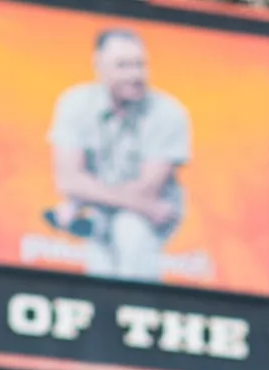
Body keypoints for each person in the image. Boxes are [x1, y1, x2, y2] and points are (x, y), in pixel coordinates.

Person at [46, 28, 190, 282]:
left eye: (140, 65)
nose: (135, 75)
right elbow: (68, 180)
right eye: (123, 65)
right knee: (99, 263)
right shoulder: (74, 103)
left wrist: (82, 200)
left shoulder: (168, 112)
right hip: (109, 211)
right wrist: (83, 201)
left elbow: (148, 189)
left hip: (145, 217)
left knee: (129, 229)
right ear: (99, 65)